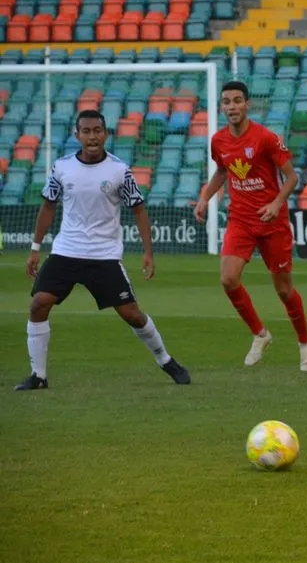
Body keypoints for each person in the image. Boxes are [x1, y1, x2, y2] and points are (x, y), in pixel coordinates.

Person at [16, 110, 191, 391]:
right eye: (86, 131)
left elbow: (139, 208)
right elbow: (48, 206)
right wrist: (35, 248)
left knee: (132, 314)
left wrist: (148, 252)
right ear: (77, 136)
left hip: (104, 255)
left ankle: (166, 360)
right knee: (39, 303)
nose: (92, 136)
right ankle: (38, 376)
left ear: (106, 134)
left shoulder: (119, 170)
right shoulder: (61, 167)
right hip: (66, 251)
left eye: (97, 130)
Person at [194, 81, 307, 372]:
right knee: (228, 279)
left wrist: (275, 204)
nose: (232, 107)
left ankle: (305, 345)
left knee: (284, 290)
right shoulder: (219, 140)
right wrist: (204, 197)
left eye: (237, 101)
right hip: (241, 221)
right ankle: (260, 335)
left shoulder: (265, 138)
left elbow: (292, 177)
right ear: (222, 106)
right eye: (227, 102)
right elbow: (223, 171)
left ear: (247, 105)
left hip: (272, 223)